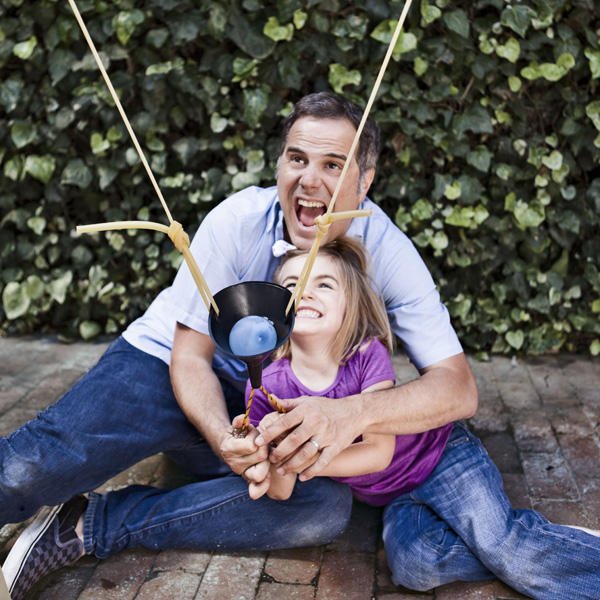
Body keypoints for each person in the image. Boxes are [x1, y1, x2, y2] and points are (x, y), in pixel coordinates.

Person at [2, 91, 477, 599]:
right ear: (280, 164)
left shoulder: (387, 250)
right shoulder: (237, 221)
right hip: (168, 373)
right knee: (28, 467)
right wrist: (219, 436)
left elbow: (458, 390)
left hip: (273, 405)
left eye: (334, 165)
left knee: (322, 509)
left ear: (365, 182)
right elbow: (189, 356)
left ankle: (89, 523)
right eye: (297, 158)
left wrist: (351, 415)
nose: (309, 180)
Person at [247, 238, 600, 599]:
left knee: (500, 544)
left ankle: (522, 547)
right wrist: (267, 457)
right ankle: (546, 545)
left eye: (324, 284)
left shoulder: (366, 354)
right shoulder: (266, 386)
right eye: (292, 285)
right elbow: (281, 489)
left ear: (348, 304)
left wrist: (297, 458)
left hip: (441, 456)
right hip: (393, 497)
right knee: (414, 567)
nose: (305, 292)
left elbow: (379, 453)